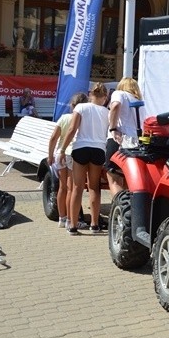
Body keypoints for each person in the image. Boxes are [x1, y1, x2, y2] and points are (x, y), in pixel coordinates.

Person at [59, 83, 109, 235]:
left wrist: (62, 150)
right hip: (99, 149)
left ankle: (73, 226)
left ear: (90, 94)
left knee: (77, 187)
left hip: (80, 147)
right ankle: (94, 225)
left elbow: (72, 129)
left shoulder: (80, 107)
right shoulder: (106, 111)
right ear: (105, 97)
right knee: (94, 187)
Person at [47, 92, 88, 229]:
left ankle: (62, 218)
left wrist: (50, 155)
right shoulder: (83, 118)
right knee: (72, 189)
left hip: (60, 154)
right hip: (72, 154)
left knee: (62, 188)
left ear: (72, 105)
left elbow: (53, 137)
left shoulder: (64, 118)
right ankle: (72, 220)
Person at [105, 77, 146, 195]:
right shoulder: (140, 102)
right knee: (128, 178)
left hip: (120, 139)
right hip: (136, 142)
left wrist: (113, 128)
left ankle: (120, 209)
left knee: (113, 177)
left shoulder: (119, 93)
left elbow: (116, 106)